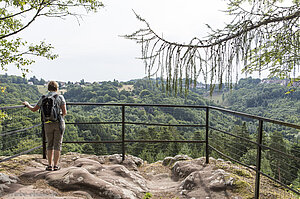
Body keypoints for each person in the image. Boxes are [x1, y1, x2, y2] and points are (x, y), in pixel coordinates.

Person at [23, 81, 67, 171]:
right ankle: (56, 166)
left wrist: (27, 105)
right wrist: (59, 115)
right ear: (56, 88)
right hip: (58, 123)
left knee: (49, 144)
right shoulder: (60, 97)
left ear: (48, 88)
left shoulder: (43, 97)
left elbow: (34, 109)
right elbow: (65, 112)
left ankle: (49, 165)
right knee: (57, 145)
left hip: (47, 123)